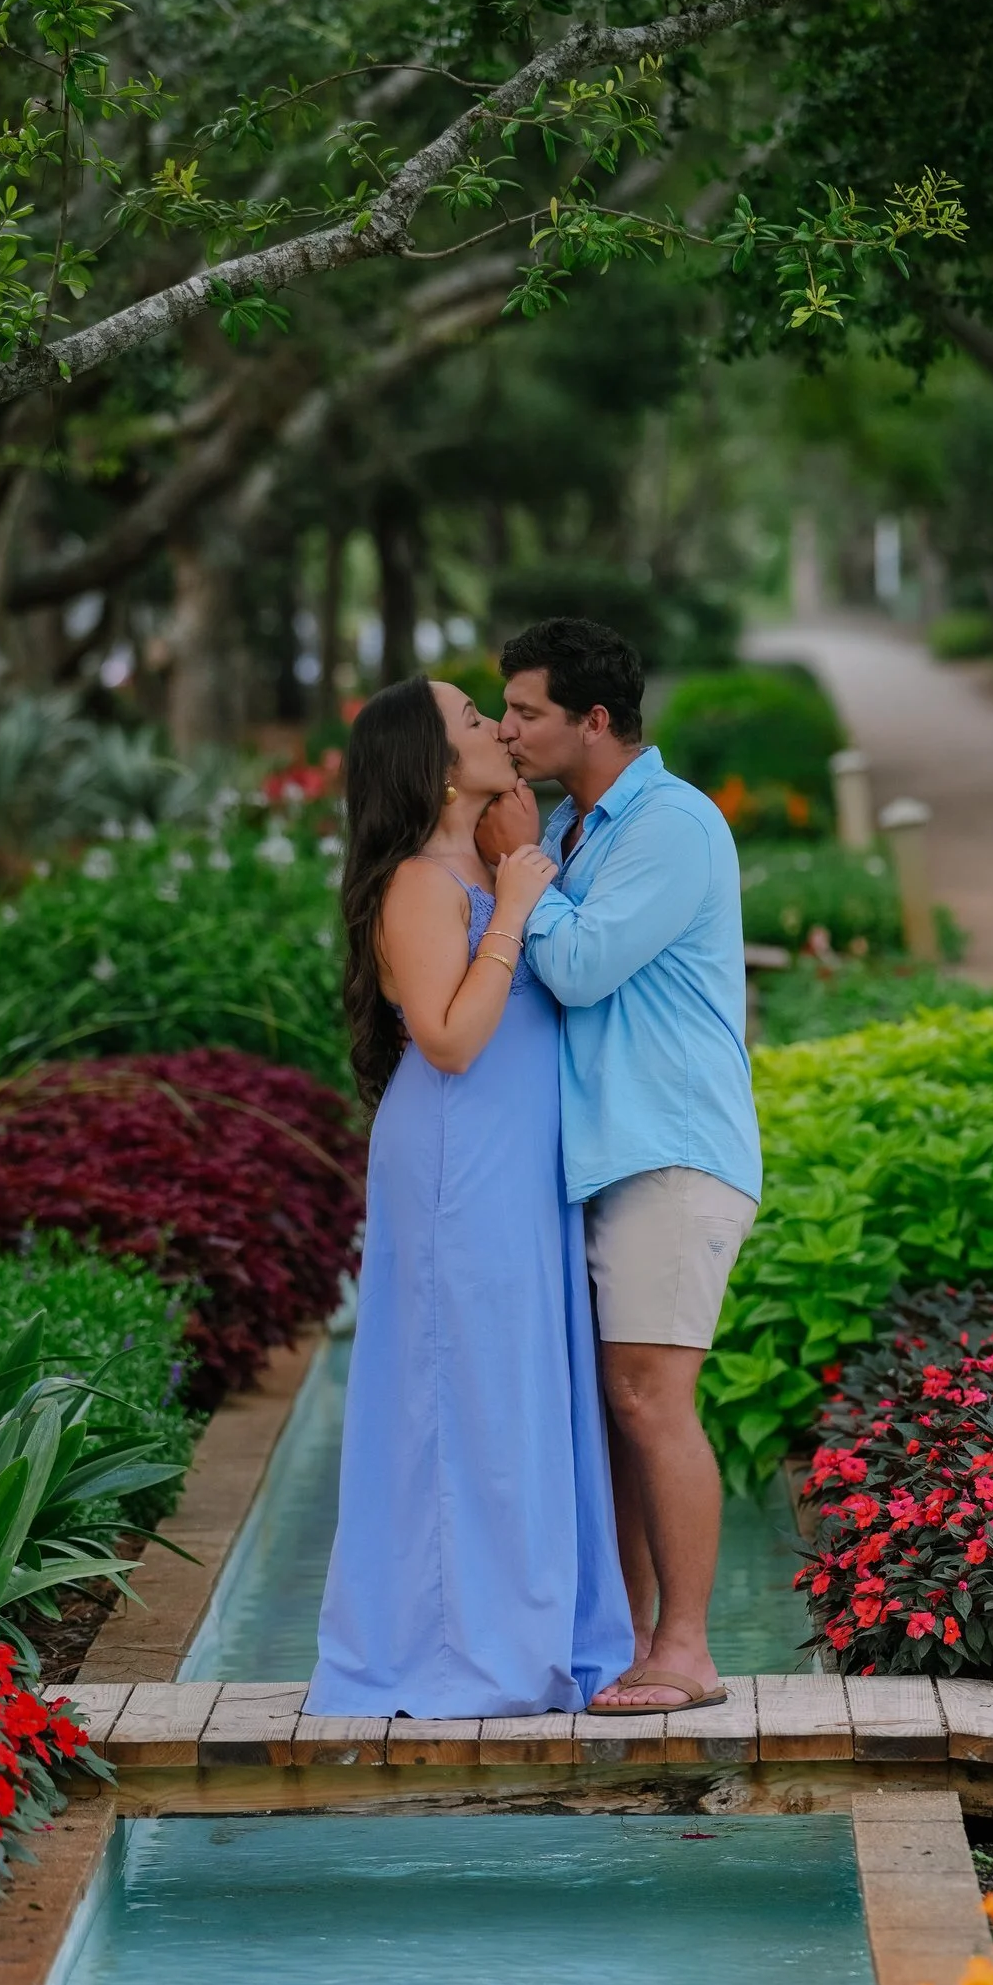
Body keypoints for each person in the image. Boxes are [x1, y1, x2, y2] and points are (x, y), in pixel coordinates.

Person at [306, 672, 631, 1719]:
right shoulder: (416, 884)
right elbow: (447, 1039)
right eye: (474, 720)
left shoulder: (481, 864)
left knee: (521, 1391)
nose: (498, 727)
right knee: (468, 1395)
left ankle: (530, 1633)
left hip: (516, 1162)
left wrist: (522, 879)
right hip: (457, 1160)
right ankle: (453, 1653)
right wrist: (518, 906)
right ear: (436, 764)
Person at [500, 619, 760, 1715]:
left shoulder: (671, 822)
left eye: (525, 712)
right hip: (610, 1150)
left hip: (672, 1146)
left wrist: (522, 874)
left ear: (592, 721)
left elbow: (585, 967)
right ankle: (627, 1644)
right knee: (620, 1408)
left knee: (653, 1401)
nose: (507, 729)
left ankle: (687, 1652)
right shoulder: (576, 822)